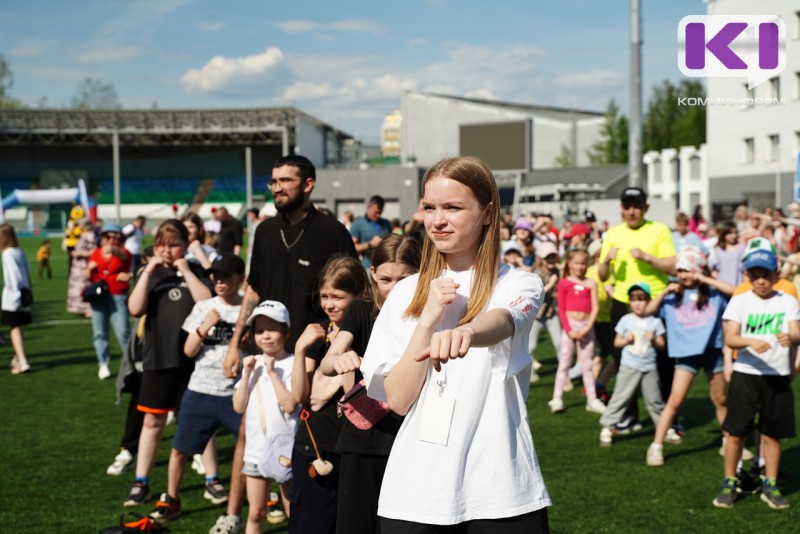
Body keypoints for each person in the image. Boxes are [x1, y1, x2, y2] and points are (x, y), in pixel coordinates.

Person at [360, 156, 551, 532]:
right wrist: (428, 319)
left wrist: (468, 333)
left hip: (502, 490)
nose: (437, 220)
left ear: (487, 213)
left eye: (453, 207)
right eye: (429, 207)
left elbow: (504, 320)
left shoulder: (519, 282)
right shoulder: (406, 293)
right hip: (416, 493)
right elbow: (396, 400)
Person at [213, 154, 357, 534]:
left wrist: (334, 345)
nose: (276, 187)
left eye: (286, 181)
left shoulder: (331, 233)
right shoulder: (263, 231)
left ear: (308, 184)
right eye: (273, 181)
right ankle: (235, 513)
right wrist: (235, 342)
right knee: (250, 433)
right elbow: (254, 288)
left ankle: (303, 509)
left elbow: (349, 291)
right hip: (266, 349)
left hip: (313, 358)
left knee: (305, 435)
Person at [319, 234, 421, 534]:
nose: (393, 289)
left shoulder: (430, 319)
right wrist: (339, 359)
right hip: (363, 440)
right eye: (386, 279)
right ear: (373, 274)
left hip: (412, 438)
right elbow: (329, 360)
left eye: (404, 279)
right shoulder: (363, 312)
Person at [147, 254, 246, 524]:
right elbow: (188, 350)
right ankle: (171, 498)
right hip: (200, 391)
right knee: (180, 449)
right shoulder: (205, 307)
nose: (219, 281)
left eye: (226, 276)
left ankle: (267, 497)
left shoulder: (248, 308)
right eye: (215, 276)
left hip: (236, 395)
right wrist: (205, 327)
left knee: (255, 449)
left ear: (241, 278)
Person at [123, 219, 212, 507]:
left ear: (186, 245)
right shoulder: (151, 274)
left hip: (194, 361)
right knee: (153, 421)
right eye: (162, 244)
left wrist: (185, 268)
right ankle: (142, 481)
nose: (168, 250)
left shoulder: (195, 271)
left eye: (174, 244)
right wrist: (148, 269)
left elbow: (207, 303)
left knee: (202, 421)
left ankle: (213, 480)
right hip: (158, 360)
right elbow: (135, 309)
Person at [290, 255, 371, 533]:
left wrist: (342, 365)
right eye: (324, 296)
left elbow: (355, 399)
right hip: (312, 446)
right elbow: (302, 397)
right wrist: (300, 349)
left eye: (337, 296)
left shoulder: (370, 335)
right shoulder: (319, 334)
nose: (329, 304)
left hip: (352, 450)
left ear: (361, 295)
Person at [715, 248, 799, 509]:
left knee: (772, 434)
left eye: (766, 275)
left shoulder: (787, 301)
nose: (761, 281)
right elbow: (730, 338)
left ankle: (770, 483)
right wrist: (749, 341)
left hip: (776, 376)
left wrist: (792, 338)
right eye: (755, 275)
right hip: (746, 374)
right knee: (736, 432)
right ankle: (730, 480)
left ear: (776, 274)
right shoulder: (740, 301)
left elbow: (796, 332)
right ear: (747, 276)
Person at [642, 246, 736, 467]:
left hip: (713, 351)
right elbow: (647, 311)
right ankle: (656, 445)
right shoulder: (673, 294)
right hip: (686, 354)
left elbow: (736, 291)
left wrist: (706, 279)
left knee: (721, 399)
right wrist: (664, 292)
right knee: (675, 400)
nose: (683, 275)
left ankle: (729, 440)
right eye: (680, 270)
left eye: (687, 270)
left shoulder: (713, 293)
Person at [234, 300, 300, 532]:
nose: (266, 336)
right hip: (255, 450)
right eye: (260, 331)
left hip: (286, 449)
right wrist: (246, 375)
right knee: (256, 512)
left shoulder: (293, 363)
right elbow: (238, 406)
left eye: (273, 329)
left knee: (294, 511)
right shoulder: (252, 364)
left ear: (286, 332)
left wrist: (272, 373)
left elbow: (291, 405)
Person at [598, 282, 674, 446]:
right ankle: (607, 426)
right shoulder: (626, 320)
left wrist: (653, 339)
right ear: (629, 302)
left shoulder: (655, 322)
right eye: (633, 300)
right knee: (620, 397)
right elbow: (616, 343)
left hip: (649, 367)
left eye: (641, 299)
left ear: (648, 301)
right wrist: (627, 340)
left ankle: (664, 428)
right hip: (629, 366)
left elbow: (662, 345)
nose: (637, 303)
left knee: (655, 400)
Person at [549, 249, 605, 414]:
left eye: (583, 263)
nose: (580, 267)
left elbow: (595, 307)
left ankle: (592, 398)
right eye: (577, 263)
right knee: (564, 362)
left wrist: (588, 327)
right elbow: (562, 308)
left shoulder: (591, 283)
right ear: (570, 264)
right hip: (570, 328)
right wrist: (569, 330)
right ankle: (557, 398)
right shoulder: (564, 283)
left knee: (587, 364)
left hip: (586, 327)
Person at [86, 223, 133, 380]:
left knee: (124, 331)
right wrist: (89, 269)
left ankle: (130, 362)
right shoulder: (97, 253)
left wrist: (112, 250)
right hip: (99, 296)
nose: (112, 239)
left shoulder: (125, 252)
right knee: (99, 332)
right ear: (103, 237)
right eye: (108, 236)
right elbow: (87, 276)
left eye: (115, 236)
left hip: (118, 295)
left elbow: (124, 257)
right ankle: (103, 363)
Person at [1, 224, 32, 375]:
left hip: (13, 295)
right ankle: (17, 357)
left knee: (14, 327)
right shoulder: (20, 251)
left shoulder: (7, 253)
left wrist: (15, 293)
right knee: (18, 326)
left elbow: (13, 275)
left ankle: (22, 360)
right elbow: (27, 271)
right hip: (24, 292)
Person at [529, 241, 561, 383]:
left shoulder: (556, 271)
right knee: (530, 347)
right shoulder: (536, 273)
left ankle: (563, 377)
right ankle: (529, 375)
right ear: (541, 259)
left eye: (553, 256)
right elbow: (536, 294)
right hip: (537, 315)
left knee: (560, 344)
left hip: (551, 313)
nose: (551, 260)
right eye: (548, 257)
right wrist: (551, 284)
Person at [350, 195, 392, 269]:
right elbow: (352, 248)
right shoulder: (358, 223)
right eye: (376, 212)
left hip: (385, 266)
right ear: (369, 207)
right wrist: (370, 244)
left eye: (380, 212)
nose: (378, 215)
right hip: (367, 267)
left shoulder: (386, 223)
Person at [66, 218, 96, 318]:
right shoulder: (84, 234)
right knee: (79, 288)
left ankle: (89, 309)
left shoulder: (91, 235)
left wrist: (79, 253)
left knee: (85, 286)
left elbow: (93, 251)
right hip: (78, 267)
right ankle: (83, 308)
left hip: (84, 266)